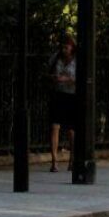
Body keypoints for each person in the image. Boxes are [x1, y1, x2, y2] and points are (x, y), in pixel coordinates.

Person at [46, 33, 76, 174]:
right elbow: (47, 72)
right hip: (57, 94)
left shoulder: (76, 61)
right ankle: (54, 161)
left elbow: (80, 78)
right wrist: (54, 78)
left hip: (71, 95)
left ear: (71, 48)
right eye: (62, 47)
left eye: (66, 47)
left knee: (71, 129)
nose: (64, 50)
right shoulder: (55, 58)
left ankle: (72, 159)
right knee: (54, 126)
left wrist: (66, 79)